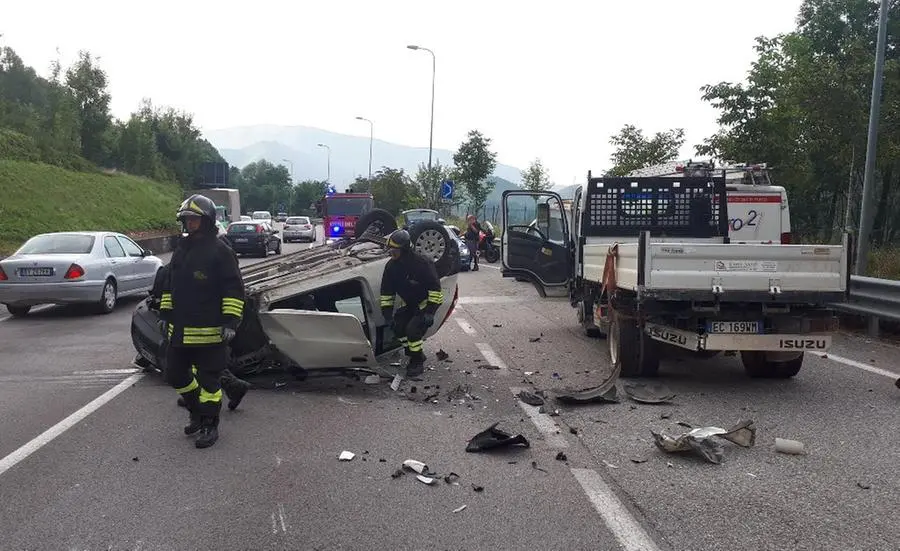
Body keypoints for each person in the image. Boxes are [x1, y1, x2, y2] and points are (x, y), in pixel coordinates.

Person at [158, 194, 246, 449]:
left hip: (210, 333)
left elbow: (233, 289)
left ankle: (209, 424)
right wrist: (165, 315)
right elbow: (169, 285)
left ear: (206, 221)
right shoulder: (181, 249)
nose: (190, 223)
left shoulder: (220, 251)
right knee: (175, 375)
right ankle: (196, 411)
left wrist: (230, 322)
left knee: (209, 383)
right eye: (187, 219)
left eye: (194, 219)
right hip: (179, 331)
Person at [147, 239, 252, 412]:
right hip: (188, 323)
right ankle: (230, 388)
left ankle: (213, 397)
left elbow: (230, 288)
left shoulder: (216, 253)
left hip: (207, 322)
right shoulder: (187, 252)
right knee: (196, 363)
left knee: (201, 364)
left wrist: (229, 321)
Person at [379, 229, 444, 377]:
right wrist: (387, 315)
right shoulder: (391, 267)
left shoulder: (422, 263)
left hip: (426, 304)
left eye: (395, 250)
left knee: (412, 330)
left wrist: (430, 312)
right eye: (390, 250)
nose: (391, 253)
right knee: (398, 327)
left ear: (405, 250)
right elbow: (387, 293)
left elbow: (435, 289)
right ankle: (415, 353)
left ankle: (417, 361)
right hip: (410, 305)